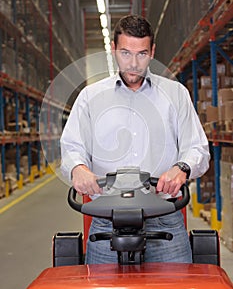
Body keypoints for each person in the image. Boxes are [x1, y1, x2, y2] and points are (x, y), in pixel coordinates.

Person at [60, 14, 210, 264]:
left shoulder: (175, 94)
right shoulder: (90, 97)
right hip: (107, 220)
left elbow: (197, 149)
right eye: (126, 53)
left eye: (141, 54)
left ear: (152, 51)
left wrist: (182, 168)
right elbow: (72, 147)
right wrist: (78, 168)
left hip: (164, 217)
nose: (133, 63)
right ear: (114, 49)